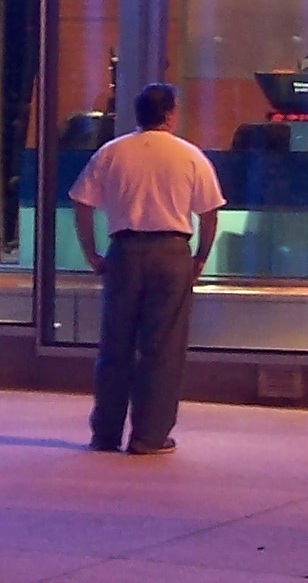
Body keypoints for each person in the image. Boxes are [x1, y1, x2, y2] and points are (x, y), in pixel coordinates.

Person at [71, 82, 226, 455]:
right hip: (172, 252)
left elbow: (82, 203)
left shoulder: (111, 152)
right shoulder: (190, 156)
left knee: (115, 345)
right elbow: (209, 215)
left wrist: (91, 253)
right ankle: (149, 436)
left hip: (124, 251)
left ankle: (105, 433)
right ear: (170, 114)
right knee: (163, 348)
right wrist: (200, 258)